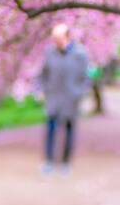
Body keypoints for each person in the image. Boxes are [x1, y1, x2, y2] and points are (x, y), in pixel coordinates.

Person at [37, 24, 90, 173]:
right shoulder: (49, 53)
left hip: (71, 100)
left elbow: (86, 78)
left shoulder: (80, 54)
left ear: (67, 37)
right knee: (50, 130)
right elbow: (42, 74)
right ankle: (49, 161)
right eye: (54, 38)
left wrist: (78, 94)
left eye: (58, 38)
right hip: (53, 99)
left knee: (69, 131)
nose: (55, 41)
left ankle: (66, 162)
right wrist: (42, 90)